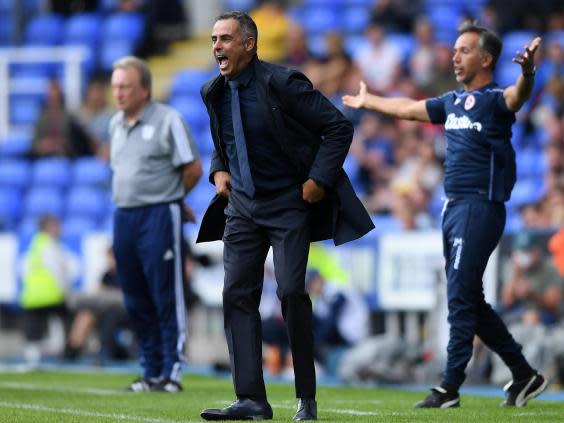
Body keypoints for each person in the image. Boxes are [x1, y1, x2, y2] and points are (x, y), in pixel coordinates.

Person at [343, 22, 547, 408]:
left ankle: (449, 386)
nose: (454, 56)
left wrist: (528, 73)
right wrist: (370, 102)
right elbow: (407, 108)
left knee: (458, 296)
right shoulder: (452, 101)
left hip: (479, 206)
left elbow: (516, 97)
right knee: (469, 297)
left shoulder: (493, 101)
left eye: (464, 50)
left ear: (486, 58)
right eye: (454, 50)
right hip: (453, 207)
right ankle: (524, 374)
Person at [197, 11, 374, 421]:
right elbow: (224, 138)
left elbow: (337, 128)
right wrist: (218, 169)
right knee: (236, 294)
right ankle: (252, 400)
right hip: (242, 206)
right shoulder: (213, 92)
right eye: (212, 39)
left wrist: (317, 180)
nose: (217, 47)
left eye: (225, 39)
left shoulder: (282, 83)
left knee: (292, 292)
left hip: (288, 204)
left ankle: (306, 398)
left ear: (249, 44)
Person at [109, 56, 202, 393]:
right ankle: (150, 371)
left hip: (158, 215)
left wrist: (173, 199)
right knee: (135, 296)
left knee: (166, 294)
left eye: (125, 86)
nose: (118, 93)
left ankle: (172, 371)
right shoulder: (115, 124)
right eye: (115, 86)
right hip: (124, 216)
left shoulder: (168, 120)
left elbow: (192, 169)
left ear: (144, 89)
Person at [20, 215, 76, 364]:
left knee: (34, 331)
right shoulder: (49, 245)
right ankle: (67, 353)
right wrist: (66, 291)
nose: (60, 229)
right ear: (48, 228)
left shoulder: (35, 244)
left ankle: (33, 359)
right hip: (50, 295)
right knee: (66, 321)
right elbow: (57, 271)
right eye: (56, 226)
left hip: (32, 296)